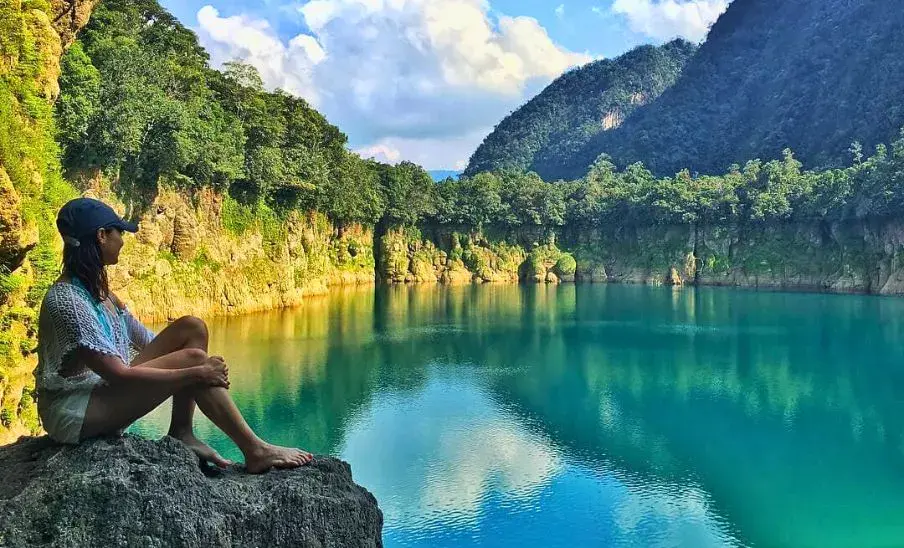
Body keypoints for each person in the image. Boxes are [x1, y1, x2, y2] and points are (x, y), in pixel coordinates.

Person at [34, 197, 312, 473]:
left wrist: (187, 363)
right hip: (75, 410)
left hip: (99, 391)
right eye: (119, 232)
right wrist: (195, 373)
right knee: (193, 359)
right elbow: (117, 374)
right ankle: (256, 450)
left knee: (192, 328)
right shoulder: (68, 302)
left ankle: (182, 431)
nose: (123, 239)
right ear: (101, 236)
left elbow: (146, 339)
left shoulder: (98, 293)